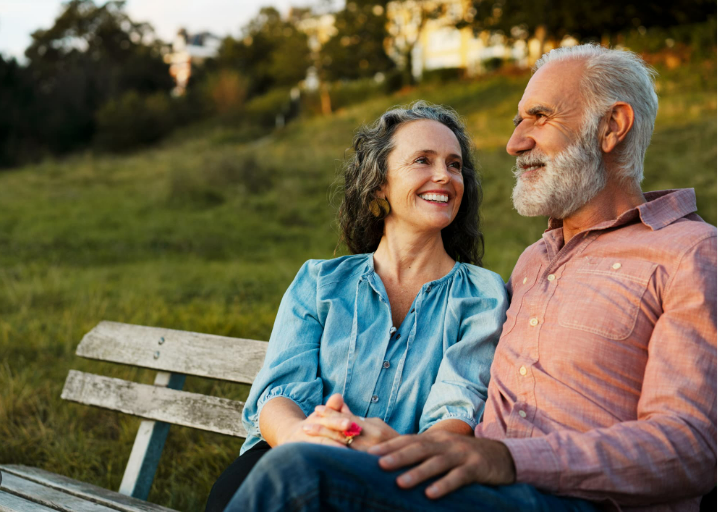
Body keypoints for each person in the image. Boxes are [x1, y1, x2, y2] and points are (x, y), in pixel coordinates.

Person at [225, 44, 717, 512]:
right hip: (471, 488)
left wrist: (502, 458)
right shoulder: (534, 262)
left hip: (567, 498)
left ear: (612, 127)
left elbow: (693, 445)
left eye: (540, 117)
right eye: (517, 121)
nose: (514, 142)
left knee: (301, 476)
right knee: (286, 471)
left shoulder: (690, 253)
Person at [204, 102, 508, 511]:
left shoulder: (481, 295)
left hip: (398, 474)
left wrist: (385, 445)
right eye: (423, 160)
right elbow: (278, 393)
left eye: (455, 165)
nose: (444, 176)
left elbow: (457, 412)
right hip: (290, 456)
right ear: (379, 183)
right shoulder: (319, 282)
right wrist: (301, 439)